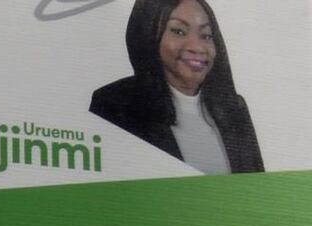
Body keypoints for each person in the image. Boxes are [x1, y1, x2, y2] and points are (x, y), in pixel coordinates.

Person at [90, 0, 264, 173]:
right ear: (148, 34)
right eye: (179, 31)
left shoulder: (234, 107)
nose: (198, 47)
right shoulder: (114, 104)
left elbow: (257, 187)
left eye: (206, 35)